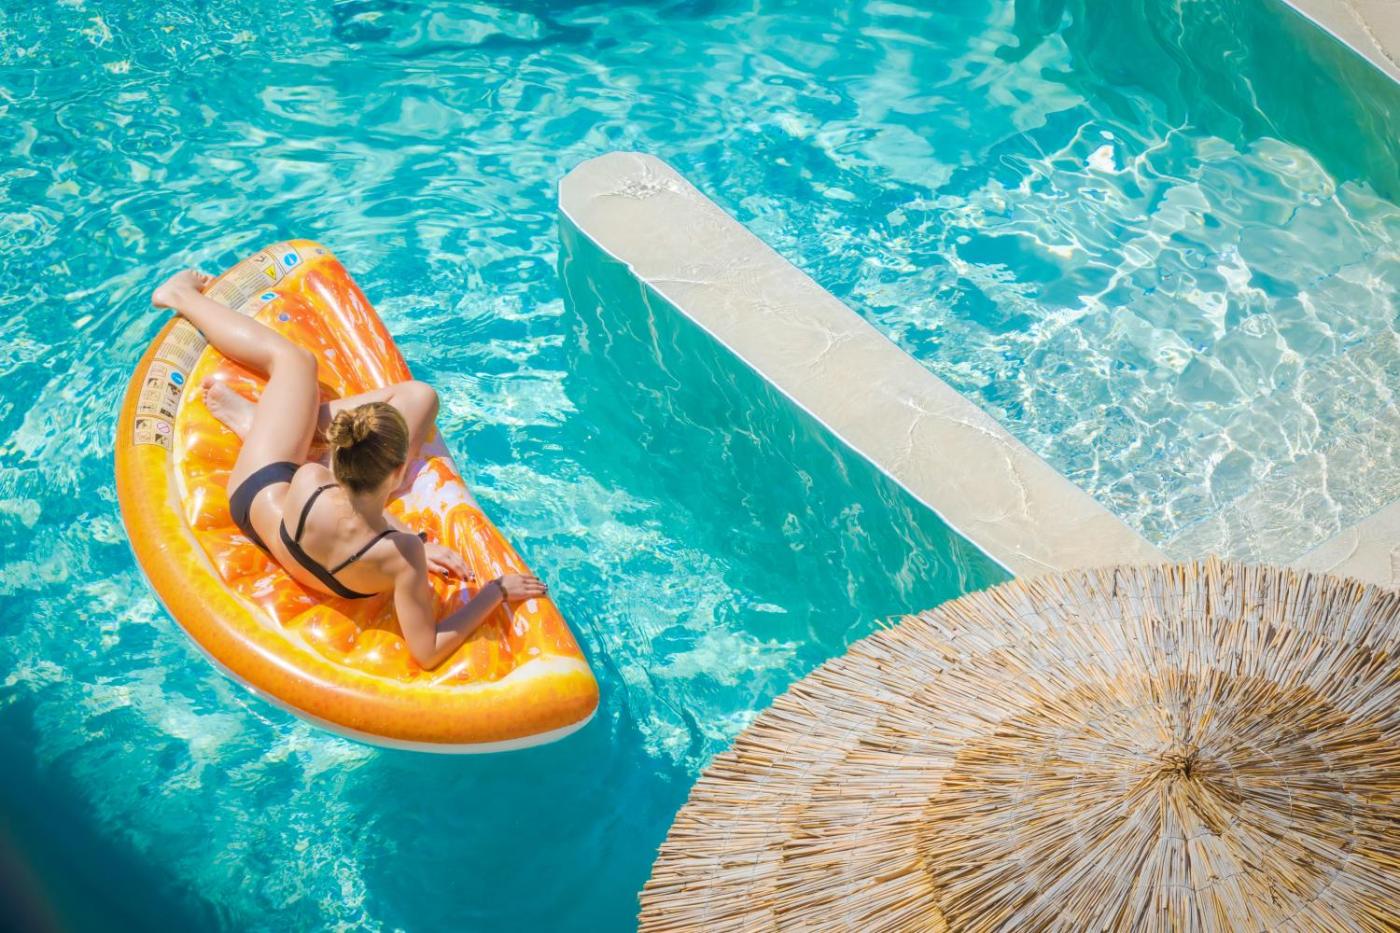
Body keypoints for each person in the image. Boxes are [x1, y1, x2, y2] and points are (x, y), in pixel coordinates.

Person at [150, 268, 548, 670]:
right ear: (399, 472)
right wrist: (494, 592)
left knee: (296, 363)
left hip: (255, 496)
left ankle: (262, 417)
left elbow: (346, 513)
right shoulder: (403, 555)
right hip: (296, 515)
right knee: (344, 376)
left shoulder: (312, 478)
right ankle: (184, 303)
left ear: (339, 458)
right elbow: (427, 652)